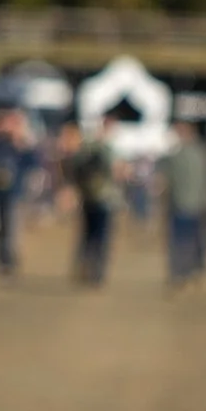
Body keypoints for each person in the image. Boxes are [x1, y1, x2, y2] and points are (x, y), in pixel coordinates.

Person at [159, 119, 206, 288]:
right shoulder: (204, 153)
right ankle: (190, 273)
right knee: (195, 242)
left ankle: (183, 274)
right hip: (194, 205)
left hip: (187, 205)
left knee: (185, 242)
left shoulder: (182, 154)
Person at [67, 116, 121, 287]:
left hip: (88, 197)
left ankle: (84, 268)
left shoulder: (87, 147)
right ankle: (97, 273)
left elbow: (74, 168)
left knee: (87, 235)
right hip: (105, 198)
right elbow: (116, 172)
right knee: (101, 238)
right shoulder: (107, 149)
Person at [0, 108, 26, 275]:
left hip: (12, 192)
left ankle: (8, 260)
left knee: (10, 227)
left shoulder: (16, 143)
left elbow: (30, 161)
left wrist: (18, 139)